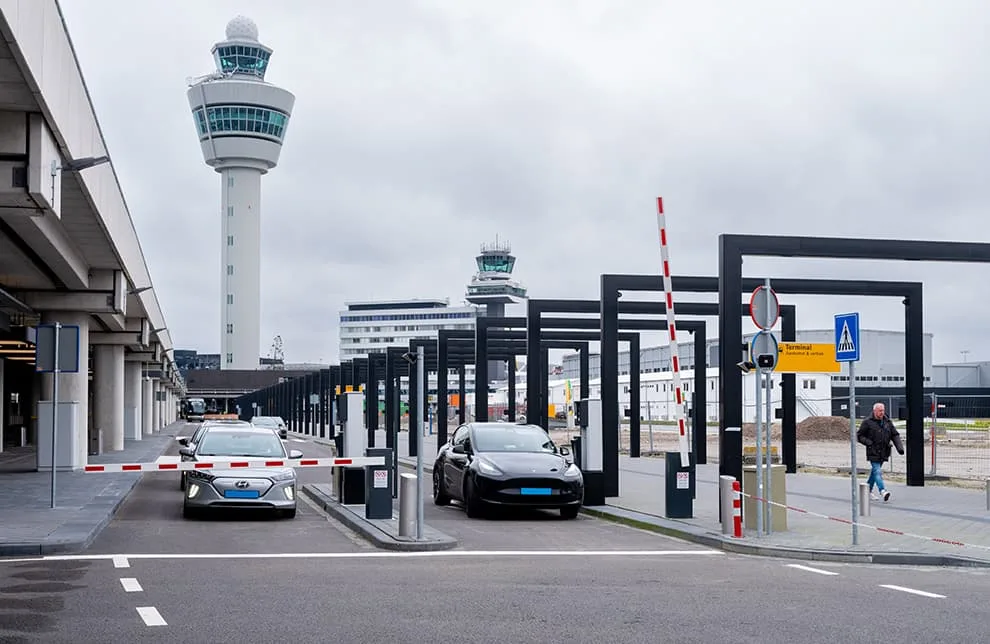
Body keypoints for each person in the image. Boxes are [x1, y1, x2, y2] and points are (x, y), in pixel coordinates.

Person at [856, 402, 905, 502]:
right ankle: (883, 491)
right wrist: (868, 442)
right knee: (877, 471)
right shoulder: (867, 422)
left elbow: (894, 434)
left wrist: (900, 448)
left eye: (883, 410)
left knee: (874, 473)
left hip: (884, 451)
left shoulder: (887, 421)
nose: (882, 412)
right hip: (873, 451)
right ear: (874, 411)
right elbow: (859, 436)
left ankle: (867, 491)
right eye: (880, 411)